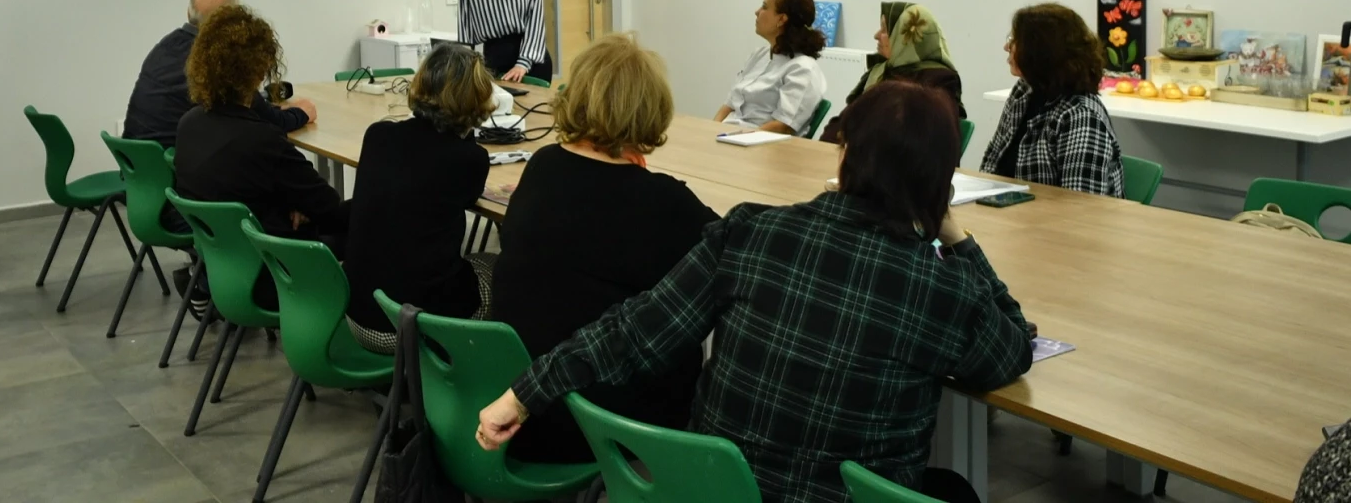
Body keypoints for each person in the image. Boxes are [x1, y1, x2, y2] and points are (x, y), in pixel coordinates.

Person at [477, 82, 1033, 503]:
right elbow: (1012, 351)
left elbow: (634, 330)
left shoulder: (750, 231)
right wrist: (958, 241)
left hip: (709, 490)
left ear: (844, 157)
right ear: (940, 185)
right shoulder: (942, 289)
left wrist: (524, 392)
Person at [490, 34, 719, 463]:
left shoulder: (542, 166)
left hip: (516, 398)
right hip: (601, 422)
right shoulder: (662, 202)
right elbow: (734, 255)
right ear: (653, 109)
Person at [172, 4, 348, 309]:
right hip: (276, 277)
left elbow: (244, 186)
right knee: (370, 218)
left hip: (225, 271)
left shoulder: (189, 124)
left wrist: (293, 203)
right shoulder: (261, 141)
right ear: (260, 68)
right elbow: (331, 210)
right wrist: (301, 206)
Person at [344, 43, 495, 353]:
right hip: (413, 327)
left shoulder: (378, 135)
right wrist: (469, 125)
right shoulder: (469, 159)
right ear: (476, 98)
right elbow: (468, 194)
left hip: (358, 315)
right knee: (500, 268)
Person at [123, 0, 316, 147]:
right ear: (228, 22)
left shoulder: (165, 46)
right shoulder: (212, 60)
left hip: (140, 167)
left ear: (188, 12)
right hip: (177, 168)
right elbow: (271, 122)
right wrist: (301, 113)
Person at [979, 3, 1124, 197]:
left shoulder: (1081, 116)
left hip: (1052, 223)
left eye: (1015, 41)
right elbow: (991, 164)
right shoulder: (1023, 92)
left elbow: (1080, 206)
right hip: (1011, 217)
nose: (1007, 47)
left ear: (1040, 52)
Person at [821, 2, 964, 141]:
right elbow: (846, 119)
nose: (876, 35)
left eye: (884, 30)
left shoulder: (940, 80)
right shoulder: (880, 71)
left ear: (905, 37)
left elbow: (917, 138)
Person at [715, 0, 828, 135]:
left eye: (764, 7)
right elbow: (729, 104)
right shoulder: (758, 55)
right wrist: (712, 130)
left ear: (781, 19)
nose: (757, 12)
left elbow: (783, 125)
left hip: (760, 144)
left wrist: (737, 138)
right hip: (730, 135)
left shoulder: (802, 68)